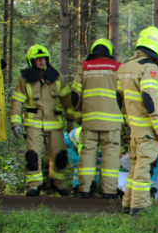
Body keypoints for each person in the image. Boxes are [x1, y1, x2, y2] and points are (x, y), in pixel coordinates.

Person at [9, 44, 75, 196]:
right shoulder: (24, 80)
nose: (41, 62)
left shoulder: (57, 78)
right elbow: (16, 102)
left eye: (44, 59)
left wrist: (70, 119)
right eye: (38, 59)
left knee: (60, 157)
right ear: (32, 62)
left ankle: (58, 184)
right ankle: (34, 186)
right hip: (34, 125)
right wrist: (16, 123)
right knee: (32, 156)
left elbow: (66, 100)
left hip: (55, 125)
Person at [117, 27, 158, 215]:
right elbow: (150, 98)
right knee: (144, 168)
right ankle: (140, 206)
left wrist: (128, 121)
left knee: (135, 167)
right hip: (148, 129)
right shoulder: (150, 68)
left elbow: (119, 99)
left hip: (134, 128)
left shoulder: (124, 67)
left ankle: (127, 203)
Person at [71, 38, 123, 199]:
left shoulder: (84, 68)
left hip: (89, 121)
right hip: (112, 122)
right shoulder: (117, 68)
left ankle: (85, 190)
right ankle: (109, 192)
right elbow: (123, 96)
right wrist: (124, 118)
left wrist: (79, 118)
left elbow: (75, 96)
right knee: (111, 157)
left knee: (87, 154)